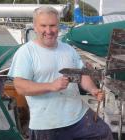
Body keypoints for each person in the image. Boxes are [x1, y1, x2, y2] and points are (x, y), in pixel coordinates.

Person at [8, 6, 114, 140]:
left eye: (52, 25)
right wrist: (51, 86)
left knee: (104, 133)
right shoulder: (26, 52)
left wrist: (93, 90)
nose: (48, 30)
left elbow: (82, 74)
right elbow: (20, 86)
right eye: (43, 26)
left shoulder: (69, 50)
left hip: (78, 115)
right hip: (46, 125)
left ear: (58, 26)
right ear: (35, 27)